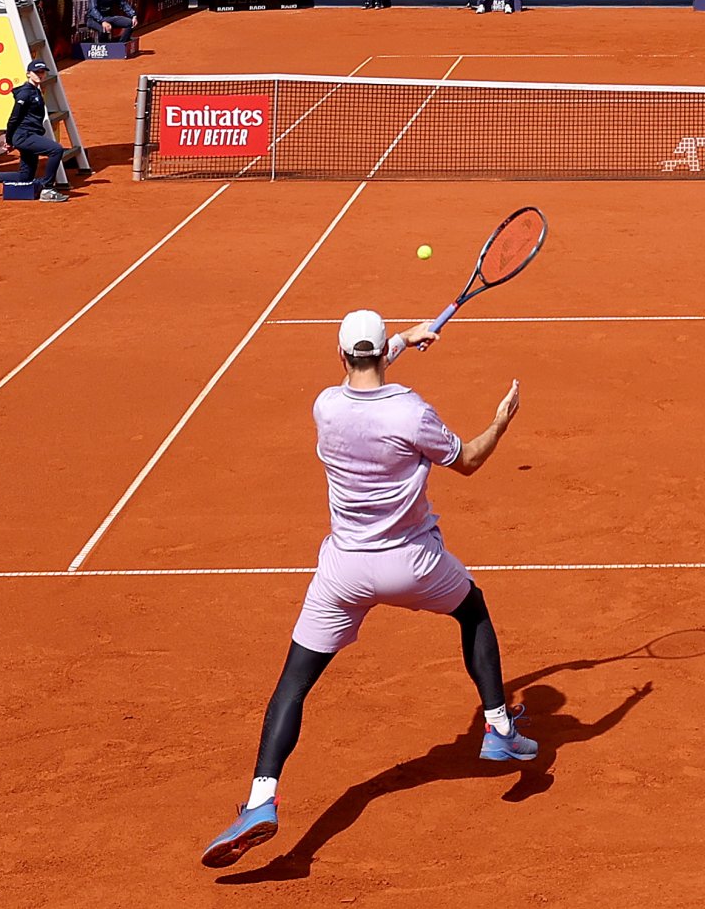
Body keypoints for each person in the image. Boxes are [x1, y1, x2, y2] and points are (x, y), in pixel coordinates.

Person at [201, 310, 527, 869]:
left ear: (343, 356)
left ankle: (260, 799)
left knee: (293, 686)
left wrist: (402, 338)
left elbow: (362, 377)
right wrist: (500, 423)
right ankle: (498, 728)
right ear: (378, 353)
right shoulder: (411, 412)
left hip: (344, 572)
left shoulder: (325, 407)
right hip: (413, 565)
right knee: (472, 610)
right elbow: (468, 461)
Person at [0, 61, 70, 202]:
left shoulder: (36, 90)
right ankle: (47, 188)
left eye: (42, 72)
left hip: (29, 135)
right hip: (24, 136)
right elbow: (13, 119)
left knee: (25, 177)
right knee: (56, 149)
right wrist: (10, 140)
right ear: (28, 74)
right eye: (37, 72)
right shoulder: (25, 94)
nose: (40, 75)